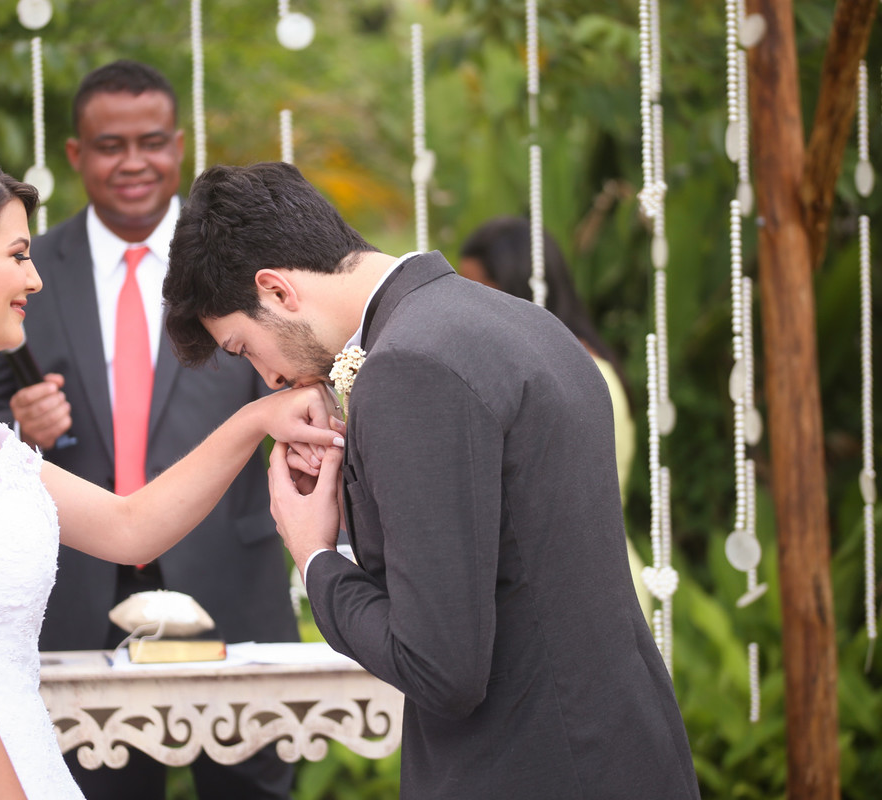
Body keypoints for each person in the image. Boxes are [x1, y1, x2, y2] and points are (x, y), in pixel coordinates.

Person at [0, 143, 339, 799]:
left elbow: (129, 525)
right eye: (16, 255)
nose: (34, 280)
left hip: (23, 757)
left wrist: (259, 420)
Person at [163, 162, 701, 799]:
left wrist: (314, 556)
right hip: (629, 755)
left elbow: (440, 667)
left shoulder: (410, 367)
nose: (268, 377)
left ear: (276, 291)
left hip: (527, 770)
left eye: (243, 347)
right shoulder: (524, 323)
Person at [0, 59, 299, 799]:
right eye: (110, 145)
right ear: (76, 156)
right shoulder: (23, 266)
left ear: (179, 146)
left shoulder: (247, 262)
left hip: (231, 592)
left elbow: (300, 382)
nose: (133, 163)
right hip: (78, 597)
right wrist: (23, 431)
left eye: (151, 142)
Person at [458, 215, 652, 618]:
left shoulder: (572, 374)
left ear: (517, 288)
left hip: (588, 595)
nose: (464, 308)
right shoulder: (572, 366)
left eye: (479, 291)